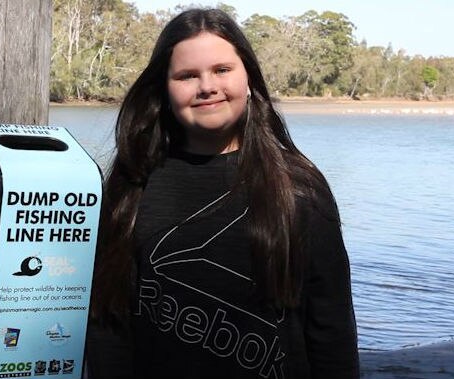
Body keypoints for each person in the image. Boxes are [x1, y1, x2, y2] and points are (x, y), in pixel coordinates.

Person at [86, 8, 359, 379]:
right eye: (187, 75)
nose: (207, 86)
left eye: (221, 70)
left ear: (247, 77)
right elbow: (108, 325)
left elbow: (331, 329)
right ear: (164, 90)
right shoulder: (130, 184)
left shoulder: (299, 187)